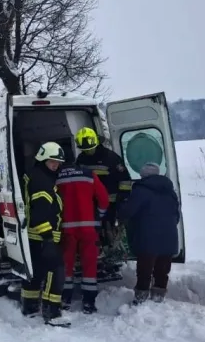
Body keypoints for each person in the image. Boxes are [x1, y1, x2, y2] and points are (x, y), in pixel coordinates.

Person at [20, 141, 70, 327]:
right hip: (43, 236)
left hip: (34, 236)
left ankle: (30, 306)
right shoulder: (42, 181)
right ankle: (52, 311)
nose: (56, 165)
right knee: (56, 271)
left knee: (37, 272)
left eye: (58, 162)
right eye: (52, 162)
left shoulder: (38, 175)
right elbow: (39, 213)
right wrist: (48, 239)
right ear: (42, 160)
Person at [117, 162, 181, 304]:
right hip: (169, 236)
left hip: (147, 236)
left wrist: (120, 209)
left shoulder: (141, 190)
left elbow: (128, 211)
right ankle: (158, 298)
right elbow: (177, 215)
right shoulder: (170, 191)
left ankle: (141, 299)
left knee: (145, 270)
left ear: (143, 175)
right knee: (162, 270)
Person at [56, 161, 110, 313]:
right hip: (88, 227)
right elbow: (104, 199)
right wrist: (99, 215)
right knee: (89, 264)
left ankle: (65, 299)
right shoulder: (88, 174)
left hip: (66, 228)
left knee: (66, 264)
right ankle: (88, 302)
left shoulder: (57, 177)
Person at [74, 127, 133, 246]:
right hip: (89, 202)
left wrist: (123, 197)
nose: (88, 152)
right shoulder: (81, 159)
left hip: (110, 202)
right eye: (85, 149)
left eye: (90, 149)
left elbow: (125, 179)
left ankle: (110, 247)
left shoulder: (111, 158)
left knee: (108, 227)